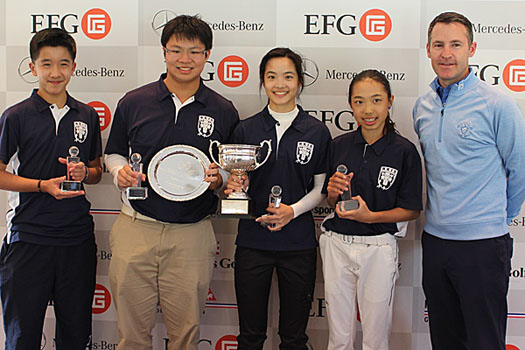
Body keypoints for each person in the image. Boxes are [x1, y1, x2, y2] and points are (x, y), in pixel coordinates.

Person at [104, 15, 239, 350]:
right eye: (176, 50)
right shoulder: (134, 102)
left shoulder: (223, 109)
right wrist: (119, 172)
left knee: (186, 334)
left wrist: (218, 179)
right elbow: (115, 153)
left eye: (194, 52)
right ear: (164, 52)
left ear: (207, 54)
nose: (184, 59)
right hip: (137, 225)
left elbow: (230, 172)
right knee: (132, 334)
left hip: (191, 233)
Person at [413, 11, 525, 350]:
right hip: (435, 243)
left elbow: (519, 169)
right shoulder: (421, 107)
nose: (447, 53)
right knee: (445, 340)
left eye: (456, 45)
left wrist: (496, 217)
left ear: (471, 49)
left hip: (483, 245)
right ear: (429, 50)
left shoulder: (497, 104)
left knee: (485, 341)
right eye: (439, 45)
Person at [0, 28, 103, 349]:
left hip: (77, 239)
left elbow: (97, 172)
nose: (55, 73)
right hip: (28, 238)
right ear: (33, 68)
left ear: (74, 67)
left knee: (75, 334)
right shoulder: (15, 116)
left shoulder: (87, 115)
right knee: (23, 335)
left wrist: (84, 171)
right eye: (46, 64)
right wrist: (43, 186)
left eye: (63, 64)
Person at [225, 47, 331, 350]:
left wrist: (291, 212)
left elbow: (320, 189)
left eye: (288, 76)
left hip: (298, 244)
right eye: (271, 76)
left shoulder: (316, 131)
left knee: (294, 338)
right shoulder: (246, 128)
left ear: (299, 82)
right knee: (250, 336)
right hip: (252, 242)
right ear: (262, 81)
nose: (279, 84)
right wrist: (234, 183)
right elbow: (235, 181)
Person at [320, 69, 422, 350]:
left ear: (390, 101)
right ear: (351, 104)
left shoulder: (404, 150)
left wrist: (371, 217)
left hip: (378, 247)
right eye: (359, 101)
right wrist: (331, 193)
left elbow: (411, 209)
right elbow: (332, 202)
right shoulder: (339, 145)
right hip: (337, 244)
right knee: (338, 337)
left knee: (375, 337)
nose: (368, 110)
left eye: (376, 100)